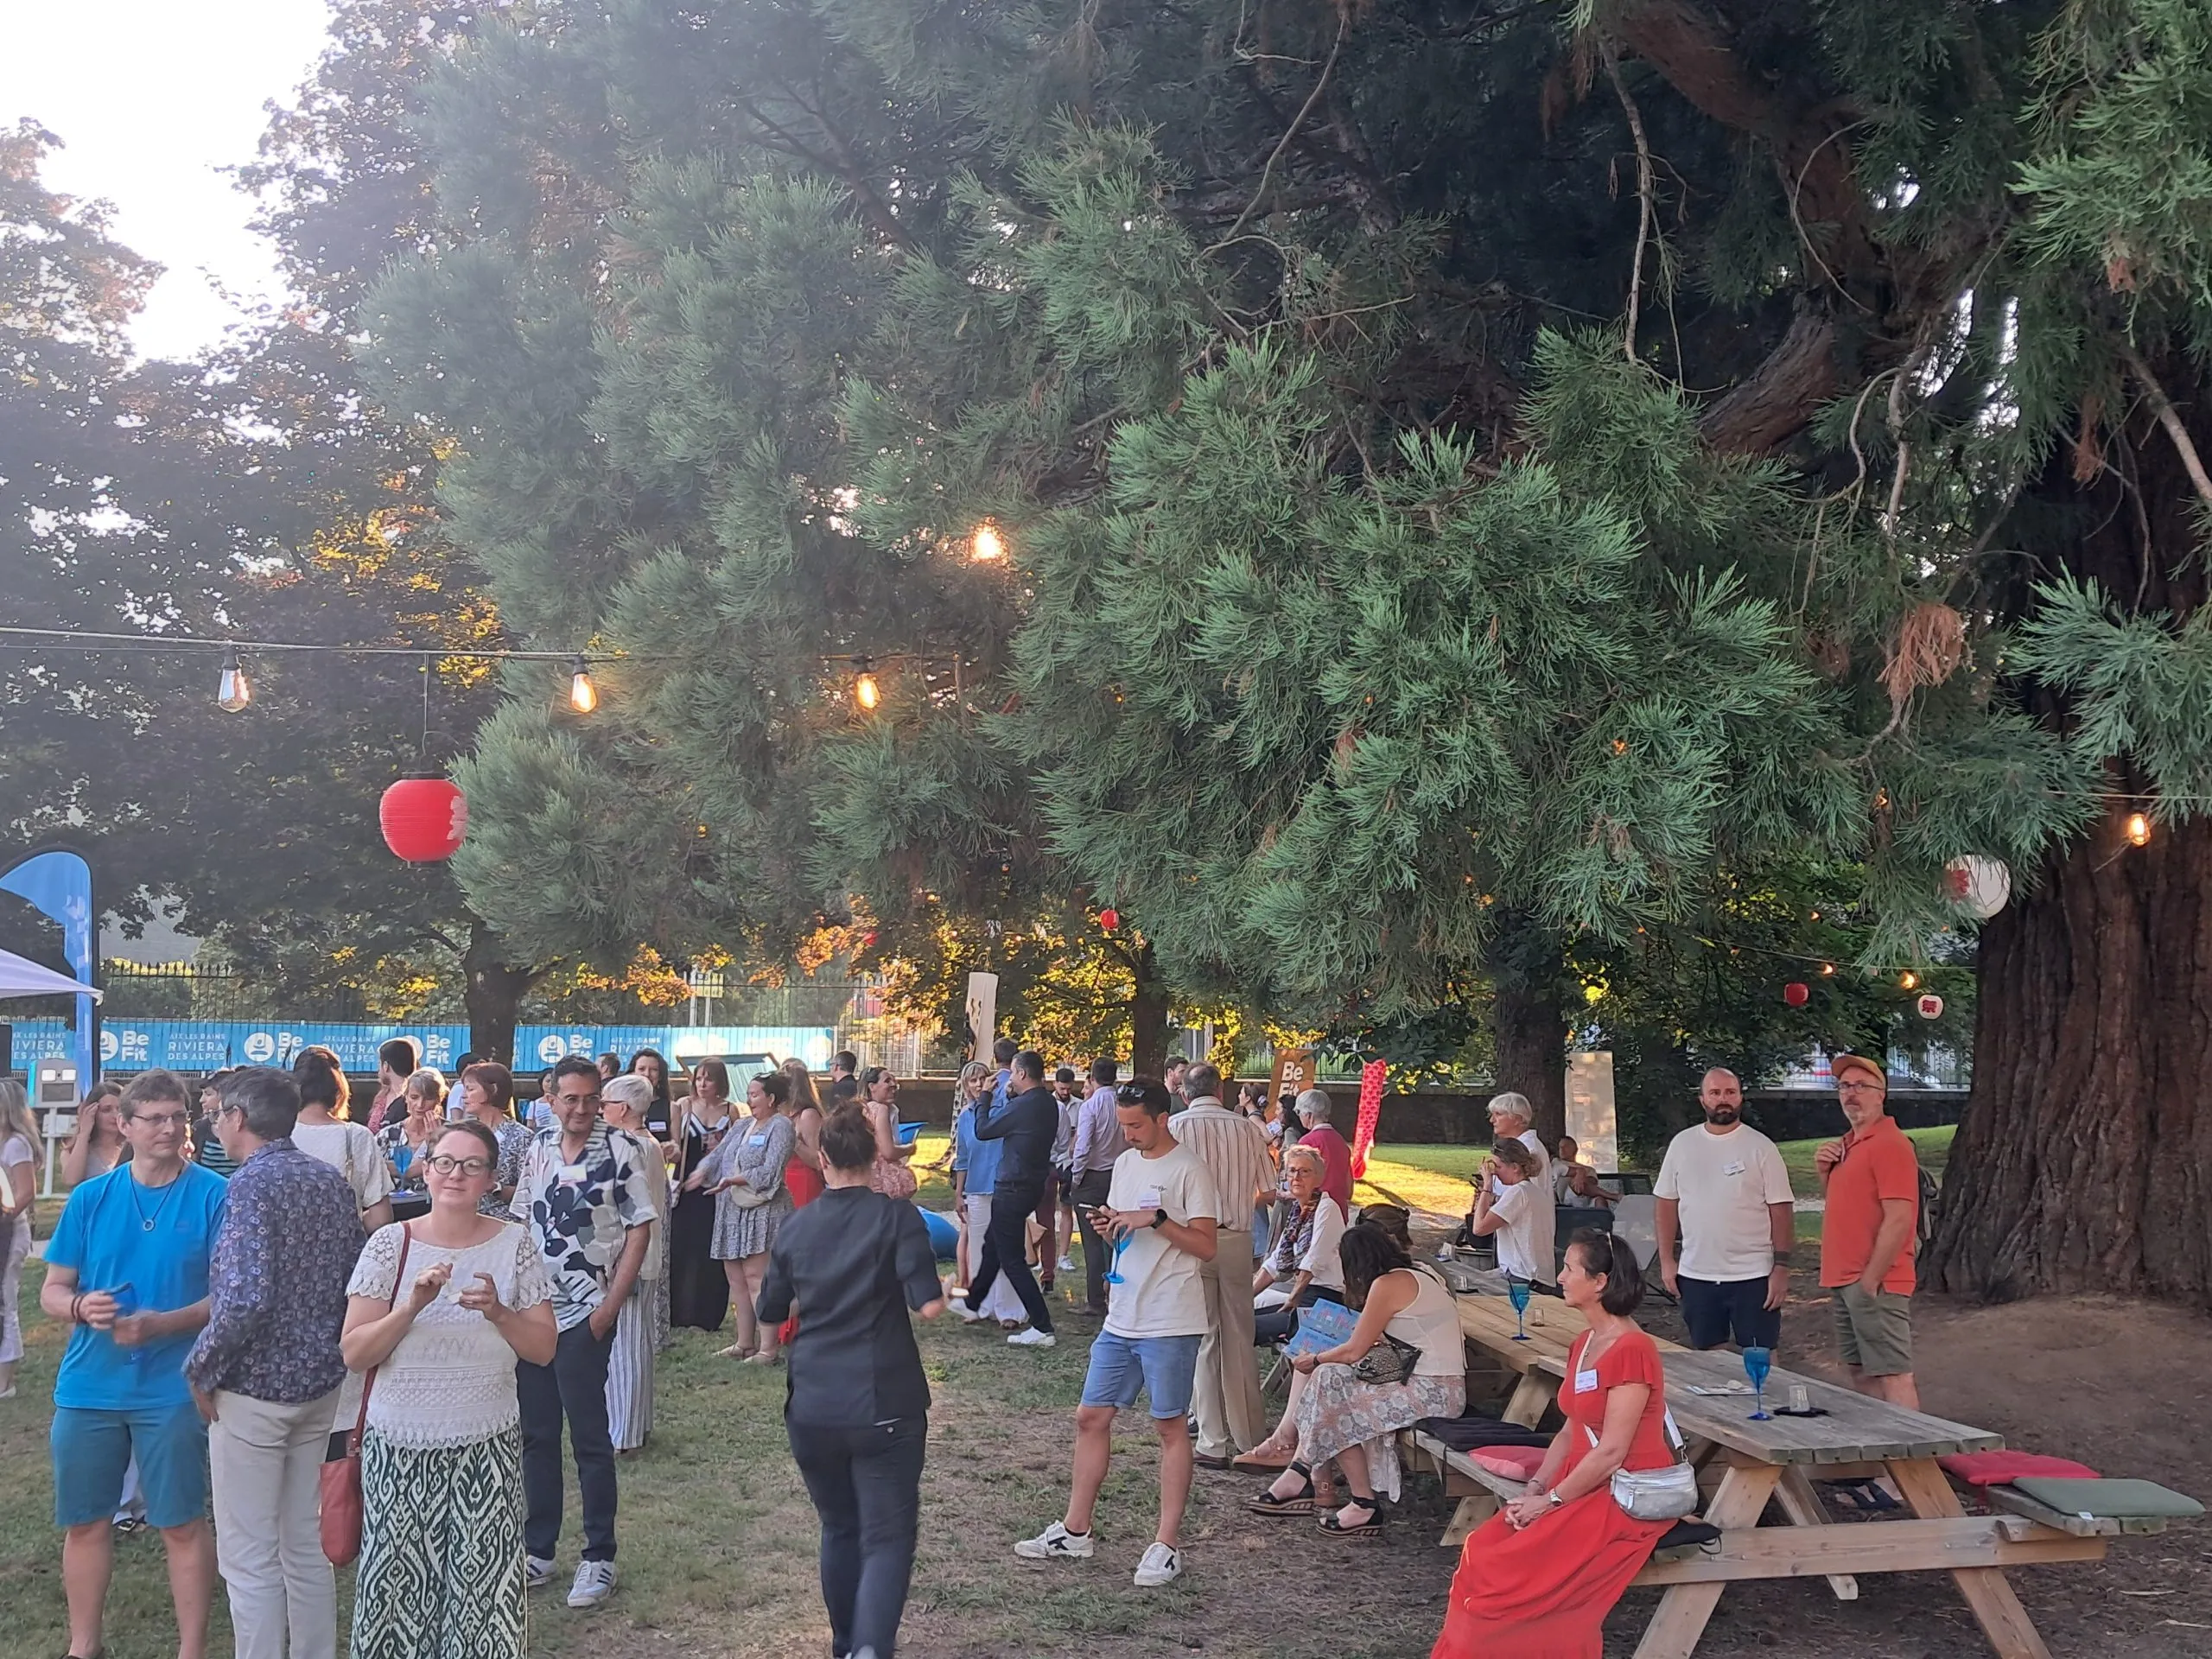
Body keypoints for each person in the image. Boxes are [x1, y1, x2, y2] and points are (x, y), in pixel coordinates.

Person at [344, 1120, 557, 1659]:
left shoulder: (514, 1244)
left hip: (485, 1447)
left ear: (490, 1177)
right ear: (426, 1166)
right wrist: (411, 1307)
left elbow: (543, 1349)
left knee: (483, 1603)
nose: (454, 1175)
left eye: (471, 1165)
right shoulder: (390, 1244)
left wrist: (500, 1312)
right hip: (399, 1448)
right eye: (444, 1162)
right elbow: (354, 1352)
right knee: (395, 1601)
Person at [40, 1069, 229, 1659]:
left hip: (173, 1386)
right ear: (123, 1125)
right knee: (86, 1520)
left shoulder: (214, 1194)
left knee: (178, 1521)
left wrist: (161, 1324)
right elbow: (52, 1288)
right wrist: (78, 1305)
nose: (170, 1128)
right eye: (155, 1118)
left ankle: (191, 1648)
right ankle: (83, 1645)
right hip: (89, 1383)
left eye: (178, 1116)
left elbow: (228, 1296)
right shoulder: (92, 1198)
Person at [188, 1066, 365, 1659]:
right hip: (319, 1384)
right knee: (303, 1545)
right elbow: (354, 1279)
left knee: (250, 1555)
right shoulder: (328, 1182)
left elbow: (243, 1297)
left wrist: (202, 1367)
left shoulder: (249, 1187)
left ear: (238, 1119)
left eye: (216, 1115)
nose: (214, 1125)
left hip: (256, 1390)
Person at [758, 1107, 947, 1659]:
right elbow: (927, 1305)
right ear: (872, 1157)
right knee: (886, 1536)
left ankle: (845, 1646)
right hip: (884, 1399)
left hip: (814, 1400)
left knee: (839, 1527)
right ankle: (870, 1647)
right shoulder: (897, 1218)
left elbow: (770, 1309)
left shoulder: (797, 1224)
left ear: (823, 1160)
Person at [1431, 1230, 1674, 1657]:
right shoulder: (1585, 1343)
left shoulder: (1633, 1349)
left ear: (1600, 1282)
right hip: (1575, 1482)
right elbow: (1569, 1429)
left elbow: (1614, 1452)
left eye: (1569, 1269)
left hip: (1622, 1493)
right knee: (1483, 1547)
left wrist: (1553, 1501)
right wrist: (1538, 1486)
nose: (1559, 1277)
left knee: (1507, 1571)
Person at [1015, 1078, 1217, 1587]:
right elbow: (1131, 1219)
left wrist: (1156, 1220)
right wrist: (1113, 1224)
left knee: (1169, 1425)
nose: (1126, 1134)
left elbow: (1207, 1246)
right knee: (1091, 1415)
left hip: (1170, 1318)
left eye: (1134, 1125)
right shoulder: (1126, 1165)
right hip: (1122, 1315)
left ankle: (1166, 1545)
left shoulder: (1191, 1170)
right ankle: (1075, 1530)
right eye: (1122, 1124)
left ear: (1161, 1118)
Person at [510, 1055, 654, 1607]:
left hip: (587, 1312)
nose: (581, 1109)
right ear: (552, 1100)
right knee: (537, 1434)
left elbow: (641, 1226)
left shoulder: (621, 1152)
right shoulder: (539, 1148)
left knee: (590, 1438)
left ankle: (599, 1556)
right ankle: (539, 1548)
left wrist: (609, 1307)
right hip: (537, 1310)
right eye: (570, 1098)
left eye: (590, 1098)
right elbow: (523, 1218)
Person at [1249, 1222, 1466, 1536]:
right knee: (1329, 1383)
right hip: (1425, 1382)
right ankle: (1317, 1481)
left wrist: (1315, 1358)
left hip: (1435, 1391)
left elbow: (1354, 1351)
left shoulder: (1388, 1285)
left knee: (1331, 1392)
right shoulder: (1418, 1274)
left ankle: (1319, 1482)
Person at [1167, 1062, 1274, 1465]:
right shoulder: (1247, 1129)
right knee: (1239, 1337)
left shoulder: (1176, 1129)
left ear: (1184, 1092)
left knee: (1204, 1337)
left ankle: (1211, 1437)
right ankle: (1249, 1436)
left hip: (1191, 1240)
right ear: (1222, 1089)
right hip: (1236, 1238)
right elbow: (1267, 1188)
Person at [1654, 1066, 1796, 1351]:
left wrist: (1781, 1268)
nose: (1723, 1099)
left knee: (1761, 1357)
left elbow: (1781, 1210)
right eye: (1715, 1093)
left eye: (1730, 1092)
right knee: (1709, 1360)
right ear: (1702, 1099)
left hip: (1754, 1275)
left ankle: (1762, 1399)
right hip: (1697, 1275)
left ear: (1741, 1097)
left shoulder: (1761, 1148)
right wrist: (1668, 1261)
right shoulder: (1682, 1145)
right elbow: (1666, 1203)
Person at [1817, 1053, 1921, 1408]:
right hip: (1843, 1278)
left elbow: (1900, 1217)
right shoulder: (1847, 1145)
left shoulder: (1891, 1144)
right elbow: (1845, 1209)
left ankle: (1915, 1458)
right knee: (1861, 1372)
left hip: (1876, 1281)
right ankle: (1883, 1461)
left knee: (1893, 1374)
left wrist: (1871, 1279)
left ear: (1882, 1094)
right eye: (1845, 1086)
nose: (1851, 1094)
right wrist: (1824, 1173)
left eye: (1862, 1086)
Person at [694, 1069, 795, 1362]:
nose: (749, 1100)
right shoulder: (742, 1126)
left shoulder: (781, 1127)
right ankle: (743, 1343)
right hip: (731, 1211)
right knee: (736, 1278)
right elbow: (719, 1155)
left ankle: (768, 1348)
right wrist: (701, 1172)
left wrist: (735, 1180)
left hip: (762, 1210)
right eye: (749, 1095)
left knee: (756, 1278)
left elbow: (770, 1170)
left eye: (755, 1095)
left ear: (772, 1098)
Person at [965, 1050, 1059, 1347]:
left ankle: (1042, 1326)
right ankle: (974, 1301)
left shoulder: (1024, 1106)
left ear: (1020, 1073)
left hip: (1012, 1187)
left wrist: (984, 1098)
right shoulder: (1047, 1102)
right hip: (1031, 1184)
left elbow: (983, 1130)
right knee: (993, 1245)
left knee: (1012, 1260)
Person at [597, 1076, 668, 1451]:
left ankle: (622, 1432)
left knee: (623, 1347)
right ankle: (635, 1426)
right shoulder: (649, 1144)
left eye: (605, 1103)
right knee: (635, 1343)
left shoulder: (630, 1146)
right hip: (643, 1255)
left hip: (628, 1257)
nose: (600, 1110)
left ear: (622, 1109)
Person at [1249, 1144, 1348, 1346]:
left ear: (1319, 1178)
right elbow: (1275, 1262)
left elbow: (1314, 1260)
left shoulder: (1327, 1208)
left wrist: (1293, 1299)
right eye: (1292, 1171)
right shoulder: (1298, 1212)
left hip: (1324, 1302)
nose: (1297, 1177)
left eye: (1305, 1172)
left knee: (1246, 1328)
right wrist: (1245, 1297)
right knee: (1237, 1321)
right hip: (1305, 1297)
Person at [949, 1062, 1024, 1325]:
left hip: (1003, 1186)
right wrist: (959, 1194)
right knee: (979, 1250)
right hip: (976, 1189)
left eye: (983, 1078)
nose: (978, 1084)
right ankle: (981, 1305)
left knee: (1004, 1250)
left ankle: (1009, 1310)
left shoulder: (1003, 1111)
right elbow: (963, 1158)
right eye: (973, 1080)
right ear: (966, 1086)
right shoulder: (967, 1117)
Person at [289, 1049, 394, 1233]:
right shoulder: (358, 1136)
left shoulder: (277, 1134)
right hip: (345, 1255)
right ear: (338, 1088)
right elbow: (381, 1218)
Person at [666, 1059, 732, 1332]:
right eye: (699, 1078)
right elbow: (673, 1148)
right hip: (686, 1186)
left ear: (720, 1083)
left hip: (715, 1189)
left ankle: (708, 1314)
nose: (702, 1084)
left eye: (709, 1079)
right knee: (681, 1248)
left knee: (710, 1251)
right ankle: (679, 1312)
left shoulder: (732, 1111)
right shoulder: (683, 1106)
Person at [1068, 1058, 1125, 1314]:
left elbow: (1082, 1147)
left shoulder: (1090, 1106)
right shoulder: (1124, 1103)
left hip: (1093, 1176)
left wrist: (1075, 1179)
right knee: (1118, 1238)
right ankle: (1117, 1292)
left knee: (1092, 1240)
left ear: (1092, 1076)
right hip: (1119, 1174)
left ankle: (1095, 1299)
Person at [1465, 1139, 1554, 1287]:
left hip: (1523, 1276)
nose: (1495, 1173)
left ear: (1515, 1167)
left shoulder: (1517, 1192)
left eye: (1498, 1167)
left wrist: (1487, 1187)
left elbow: (1479, 1229)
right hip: (1536, 1275)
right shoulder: (1532, 1192)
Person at [2, 1078, 42, 1397]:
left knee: (6, 1301)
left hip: (9, 1230)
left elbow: (26, 1191)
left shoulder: (16, 1144)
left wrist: (5, 1218)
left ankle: (5, 1381)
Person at [460, 1061, 531, 1218]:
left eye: (470, 1089)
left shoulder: (522, 1136)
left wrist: (495, 1187)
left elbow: (528, 1191)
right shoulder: (465, 1132)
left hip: (504, 1223)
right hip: (465, 1219)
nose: (463, 1095)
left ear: (493, 1090)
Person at [375, 1067, 446, 1194]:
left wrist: (435, 1143)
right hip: (394, 1207)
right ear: (406, 1097)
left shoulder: (452, 1134)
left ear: (438, 1100)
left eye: (428, 1098)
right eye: (414, 1097)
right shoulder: (387, 1135)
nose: (420, 1104)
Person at [1044, 1065, 1080, 1286]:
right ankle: (1041, 1256)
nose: (1065, 1091)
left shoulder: (1080, 1106)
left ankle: (1063, 1255)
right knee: (1044, 1211)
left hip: (1068, 1162)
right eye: (1062, 1087)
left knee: (1067, 1208)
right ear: (1055, 1084)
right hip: (1049, 1161)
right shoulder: (1046, 1105)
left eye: (1068, 1088)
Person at [1291, 1089, 1353, 1213]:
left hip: (1315, 1211)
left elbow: (1300, 1184)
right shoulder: (1340, 1141)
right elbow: (1349, 1189)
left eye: (1299, 1112)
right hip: (1339, 1209)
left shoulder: (1307, 1142)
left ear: (1309, 1115)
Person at [860, 1066, 917, 1198]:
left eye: (894, 1081)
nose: (893, 1085)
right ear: (872, 1087)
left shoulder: (860, 1109)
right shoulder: (880, 1110)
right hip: (880, 1184)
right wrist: (909, 1149)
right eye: (887, 1081)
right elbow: (888, 1152)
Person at [63, 1079, 128, 1185]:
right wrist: (84, 1132)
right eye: (106, 1110)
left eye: (119, 1109)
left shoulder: (132, 1148)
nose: (115, 1116)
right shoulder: (72, 1151)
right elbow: (71, 1180)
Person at [365, 1037, 422, 1135]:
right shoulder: (381, 1098)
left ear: (386, 1066)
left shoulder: (411, 1100)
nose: (378, 1070)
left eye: (380, 1064)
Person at [1552, 1136, 1619, 1208]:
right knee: (1574, 1183)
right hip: (1566, 1201)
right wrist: (1579, 1175)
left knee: (1600, 1200)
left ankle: (1602, 1218)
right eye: (1560, 1147)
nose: (1562, 1149)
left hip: (1586, 1200)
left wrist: (1580, 1178)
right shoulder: (1556, 1163)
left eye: (1566, 1146)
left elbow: (1591, 1183)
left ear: (1575, 1149)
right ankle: (1614, 1196)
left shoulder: (1589, 1169)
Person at [626, 1047, 673, 1141]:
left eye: (654, 1070)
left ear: (660, 1076)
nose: (647, 1074)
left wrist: (672, 1149)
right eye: (641, 1069)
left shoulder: (672, 1108)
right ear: (632, 1073)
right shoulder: (620, 1105)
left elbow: (677, 1148)